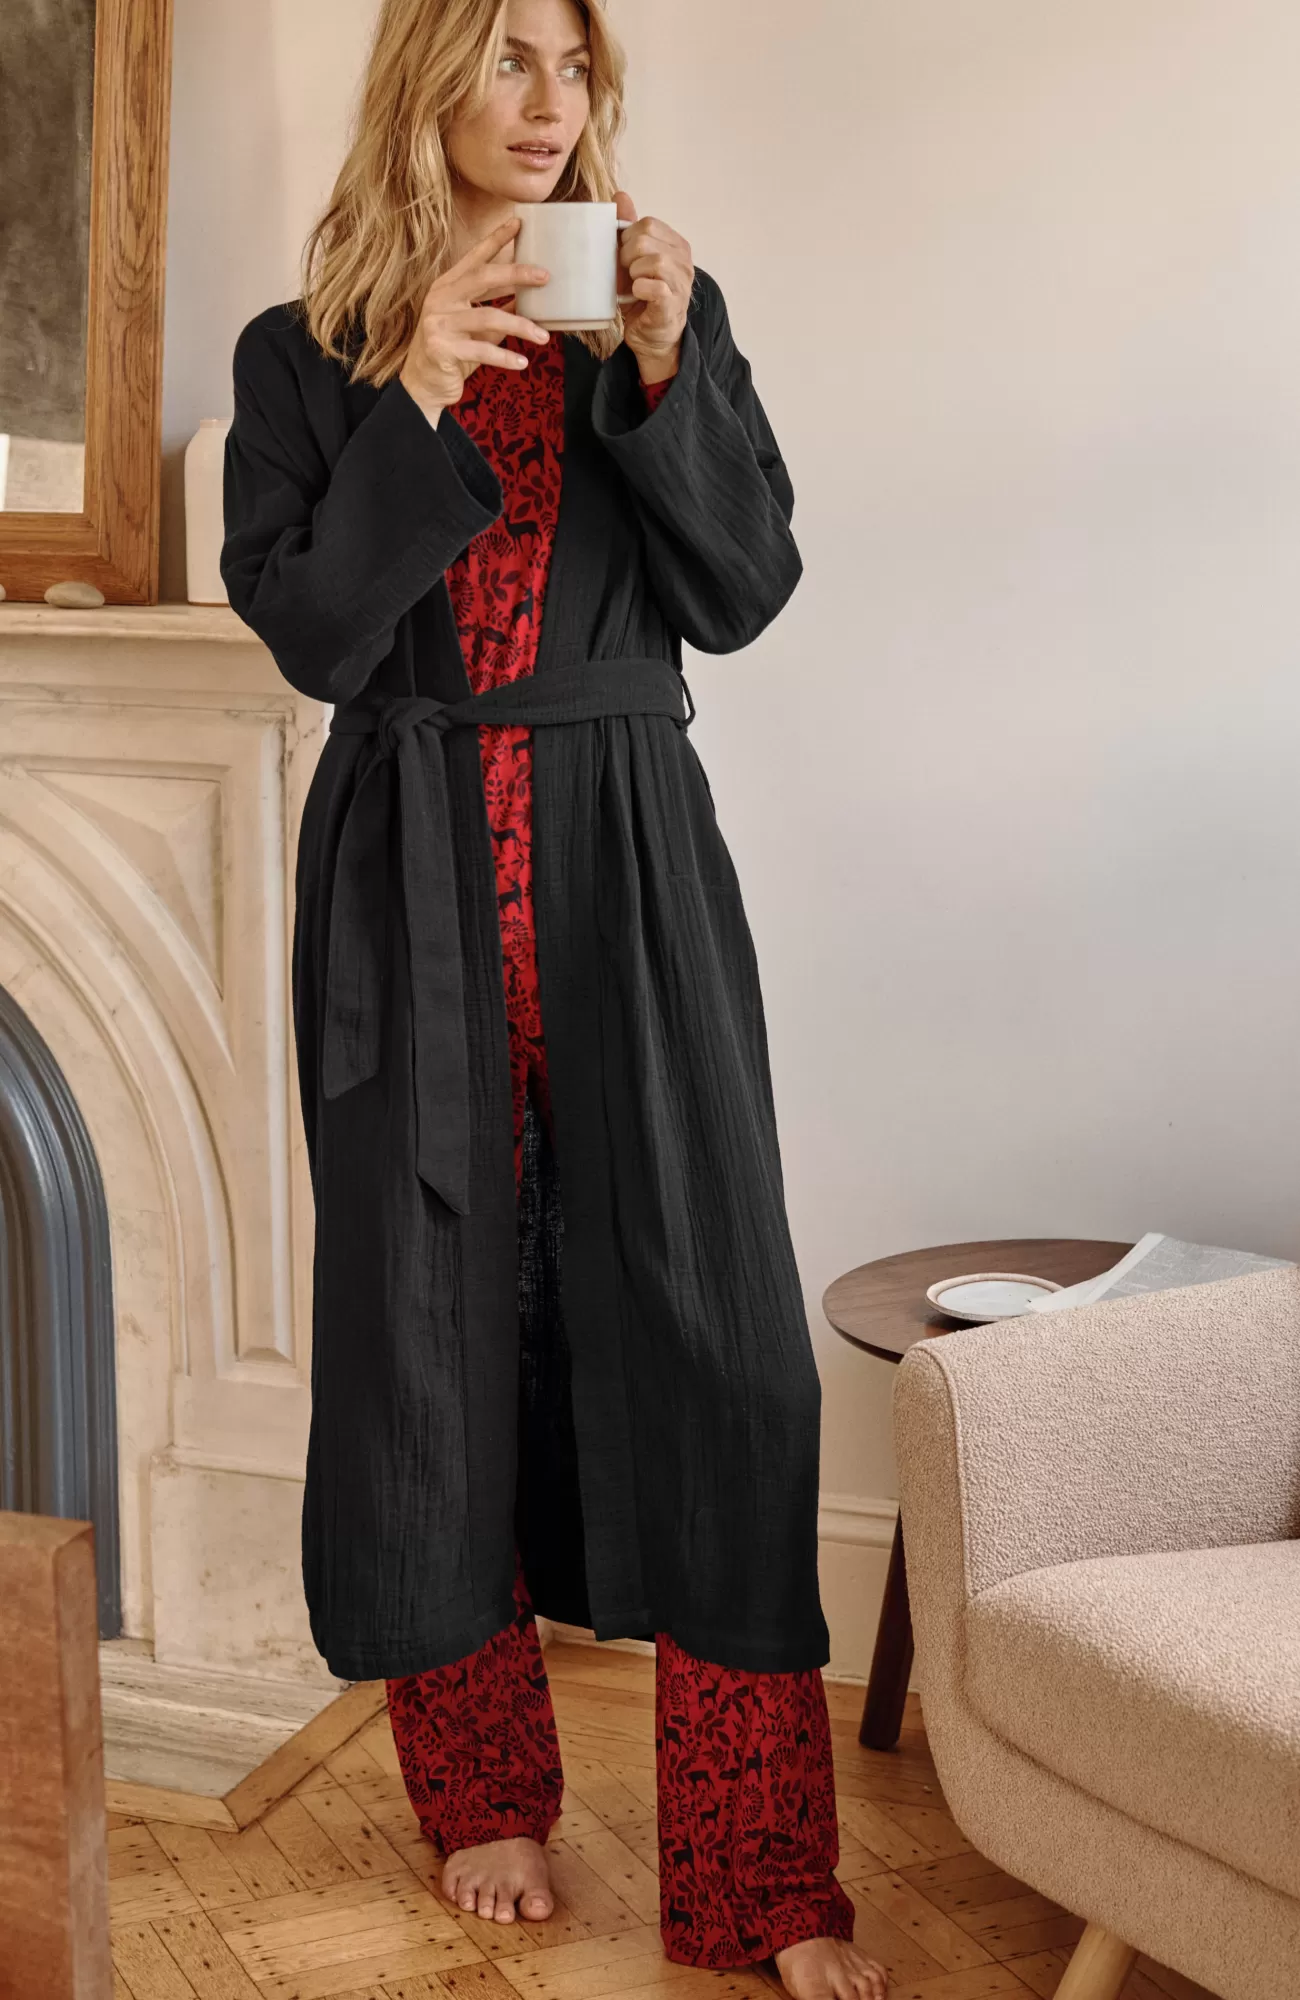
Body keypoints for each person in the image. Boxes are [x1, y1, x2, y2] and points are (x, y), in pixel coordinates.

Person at [221, 2, 887, 1996]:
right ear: (425, 78)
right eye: (508, 58)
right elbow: (314, 634)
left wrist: (670, 371)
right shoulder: (305, 353)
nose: (548, 101)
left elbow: (743, 589)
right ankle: (483, 1792)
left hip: (627, 867)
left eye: (575, 66)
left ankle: (759, 1873)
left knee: (726, 1350)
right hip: (406, 878)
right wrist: (418, 390)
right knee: (428, 1347)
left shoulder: (647, 319)